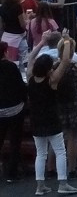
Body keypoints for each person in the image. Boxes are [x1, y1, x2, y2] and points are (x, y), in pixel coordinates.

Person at [26, 34, 77, 196]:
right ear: (49, 69)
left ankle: (40, 185)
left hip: (36, 120)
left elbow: (31, 57)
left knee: (40, 153)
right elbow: (65, 61)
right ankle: (63, 183)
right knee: (60, 150)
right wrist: (67, 40)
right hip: (51, 119)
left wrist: (42, 41)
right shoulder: (52, 80)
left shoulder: (30, 77)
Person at [0, 40, 26, 184]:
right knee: (15, 141)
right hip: (15, 109)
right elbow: (20, 87)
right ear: (5, 52)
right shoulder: (11, 67)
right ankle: (12, 172)